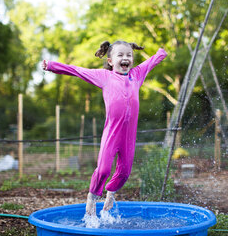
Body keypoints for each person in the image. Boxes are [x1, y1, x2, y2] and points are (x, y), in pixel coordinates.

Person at [42, 40, 167, 216]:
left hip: (129, 136)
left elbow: (150, 62)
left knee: (124, 173)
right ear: (110, 61)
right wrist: (52, 66)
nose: (126, 58)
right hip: (112, 133)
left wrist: (161, 53)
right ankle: (92, 197)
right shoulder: (104, 76)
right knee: (103, 170)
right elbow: (77, 71)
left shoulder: (137, 75)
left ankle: (111, 193)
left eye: (129, 55)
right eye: (121, 55)